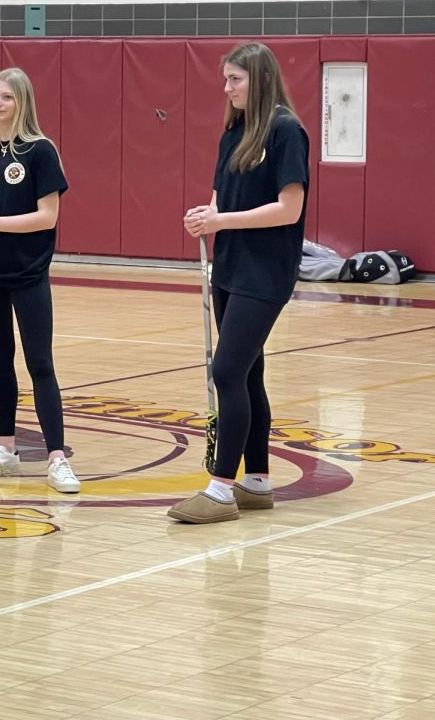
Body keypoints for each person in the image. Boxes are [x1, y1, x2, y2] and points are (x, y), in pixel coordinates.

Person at [169, 42, 310, 524]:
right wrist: (204, 217)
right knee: (249, 374)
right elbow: (218, 202)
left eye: (235, 79)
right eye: (225, 79)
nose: (226, 88)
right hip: (228, 266)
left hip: (265, 272)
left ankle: (220, 489)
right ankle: (257, 482)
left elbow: (288, 208)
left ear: (260, 78)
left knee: (226, 373)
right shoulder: (233, 133)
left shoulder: (287, 130)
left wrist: (223, 220)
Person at [0, 67, 79, 494]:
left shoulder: (41, 152)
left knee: (39, 362)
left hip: (28, 274)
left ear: (22, 102)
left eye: (5, 97)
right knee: (0, 357)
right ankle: (5, 447)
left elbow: (48, 216)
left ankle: (57, 457)